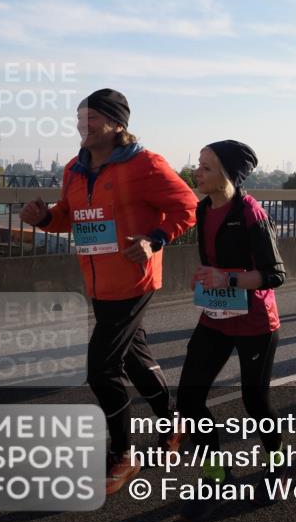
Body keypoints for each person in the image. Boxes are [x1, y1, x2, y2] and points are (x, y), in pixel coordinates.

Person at [19, 89, 197, 495]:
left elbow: (187, 206)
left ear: (118, 124)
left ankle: (122, 454)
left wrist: (155, 239)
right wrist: (45, 217)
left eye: (92, 118)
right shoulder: (74, 169)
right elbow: (72, 217)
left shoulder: (146, 164)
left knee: (101, 367)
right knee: (133, 358)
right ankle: (173, 425)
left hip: (134, 278)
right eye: (80, 117)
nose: (83, 124)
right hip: (97, 279)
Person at [177, 141, 292, 522]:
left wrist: (225, 277)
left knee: (255, 402)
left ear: (227, 174)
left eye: (206, 167)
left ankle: (280, 464)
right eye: (199, 164)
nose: (198, 172)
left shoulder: (251, 213)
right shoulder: (203, 208)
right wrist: (210, 279)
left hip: (255, 321)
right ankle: (216, 475)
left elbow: (275, 274)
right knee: (189, 400)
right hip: (215, 317)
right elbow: (213, 263)